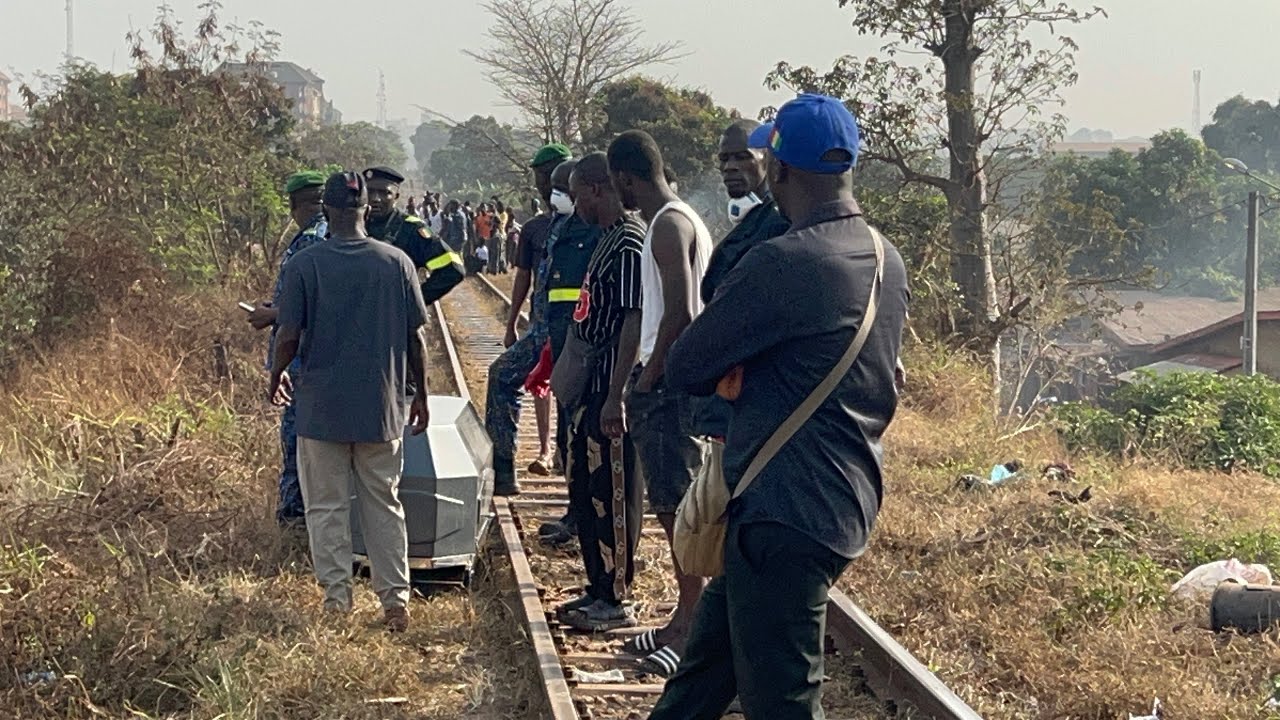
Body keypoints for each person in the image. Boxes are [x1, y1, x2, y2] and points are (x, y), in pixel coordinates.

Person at [647, 94, 910, 720]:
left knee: (783, 703)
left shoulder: (783, 261)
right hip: (841, 496)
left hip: (781, 511)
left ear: (782, 169)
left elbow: (686, 367)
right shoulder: (884, 258)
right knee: (702, 678)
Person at [269, 170, 434, 633]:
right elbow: (416, 338)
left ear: (327, 210)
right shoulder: (396, 262)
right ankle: (395, 600)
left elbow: (288, 334)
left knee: (327, 506)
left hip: (320, 410)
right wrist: (421, 395)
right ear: (366, 209)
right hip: (380, 409)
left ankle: (337, 601)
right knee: (384, 502)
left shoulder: (306, 265)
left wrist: (276, 374)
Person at [606, 130, 712, 677]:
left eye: (615, 183)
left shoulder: (668, 225)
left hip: (668, 387)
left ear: (626, 178)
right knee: (675, 508)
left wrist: (647, 381)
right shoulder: (680, 220)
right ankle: (682, 618)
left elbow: (682, 312)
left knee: (678, 511)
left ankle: (693, 628)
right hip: (671, 383)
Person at [556, 152, 646, 632]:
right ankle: (598, 586)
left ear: (595, 189)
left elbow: (633, 319)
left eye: (577, 196)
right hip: (590, 390)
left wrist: (616, 396)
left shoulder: (629, 242)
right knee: (588, 493)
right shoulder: (607, 238)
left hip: (610, 390)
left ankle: (617, 596)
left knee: (613, 495)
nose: (576, 206)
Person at [686, 120, 794, 445]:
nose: (729, 167)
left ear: (768, 161)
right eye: (724, 159)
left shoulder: (778, 226)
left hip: (756, 408)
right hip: (729, 407)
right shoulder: (753, 222)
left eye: (742, 157)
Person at [484, 143, 574, 496]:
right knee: (503, 375)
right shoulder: (536, 228)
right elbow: (523, 276)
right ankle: (504, 469)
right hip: (540, 330)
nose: (544, 185)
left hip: (577, 334)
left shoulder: (589, 224)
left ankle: (567, 469)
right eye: (540, 178)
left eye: (549, 177)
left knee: (572, 400)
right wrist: (511, 324)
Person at [246, 170, 328, 528]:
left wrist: (272, 315)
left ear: (294, 204)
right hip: (318, 359)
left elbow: (313, 305)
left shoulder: (311, 241)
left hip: (303, 360)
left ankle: (294, 519)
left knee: (297, 444)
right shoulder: (327, 235)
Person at [535, 159, 603, 545]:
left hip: (585, 351)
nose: (558, 195)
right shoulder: (561, 228)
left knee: (581, 439)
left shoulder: (597, 231)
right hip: (562, 345)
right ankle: (573, 513)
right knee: (567, 438)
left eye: (565, 188)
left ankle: (584, 520)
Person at [362, 166, 463, 304]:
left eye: (385, 193)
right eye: (370, 192)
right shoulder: (350, 225)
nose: (375, 199)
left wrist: (414, 301)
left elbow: (453, 268)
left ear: (396, 197)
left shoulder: (410, 229)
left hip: (392, 314)